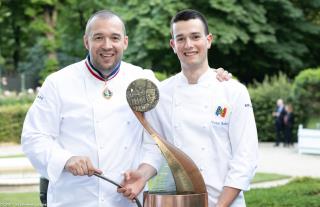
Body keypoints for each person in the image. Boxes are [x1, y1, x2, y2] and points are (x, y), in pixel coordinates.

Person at [21, 10, 230, 207]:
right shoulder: (58, 82)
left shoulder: (143, 80)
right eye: (98, 37)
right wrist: (65, 159)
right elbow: (34, 136)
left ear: (125, 42)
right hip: (73, 198)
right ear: (86, 41)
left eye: (114, 38)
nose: (107, 45)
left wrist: (213, 77)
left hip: (125, 199)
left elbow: (157, 138)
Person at [119, 9, 259, 207]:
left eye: (195, 37)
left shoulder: (233, 91)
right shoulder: (162, 93)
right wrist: (141, 175)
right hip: (181, 202)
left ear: (208, 40)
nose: (189, 45)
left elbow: (245, 158)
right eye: (181, 39)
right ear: (173, 45)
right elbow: (155, 148)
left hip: (227, 203)